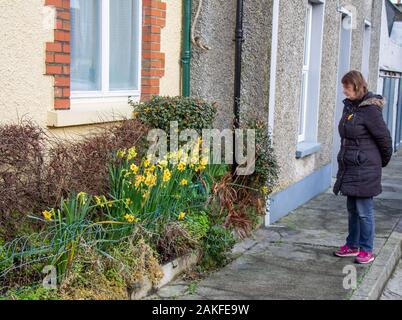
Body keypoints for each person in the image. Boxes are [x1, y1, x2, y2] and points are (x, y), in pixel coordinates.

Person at [333, 70, 393, 264]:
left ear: (357, 86)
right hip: (351, 167)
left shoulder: (370, 110)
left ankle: (367, 250)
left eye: (346, 87)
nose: (344, 91)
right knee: (352, 209)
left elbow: (384, 139)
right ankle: (352, 245)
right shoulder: (350, 107)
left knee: (364, 211)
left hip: (366, 168)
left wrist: (378, 163)